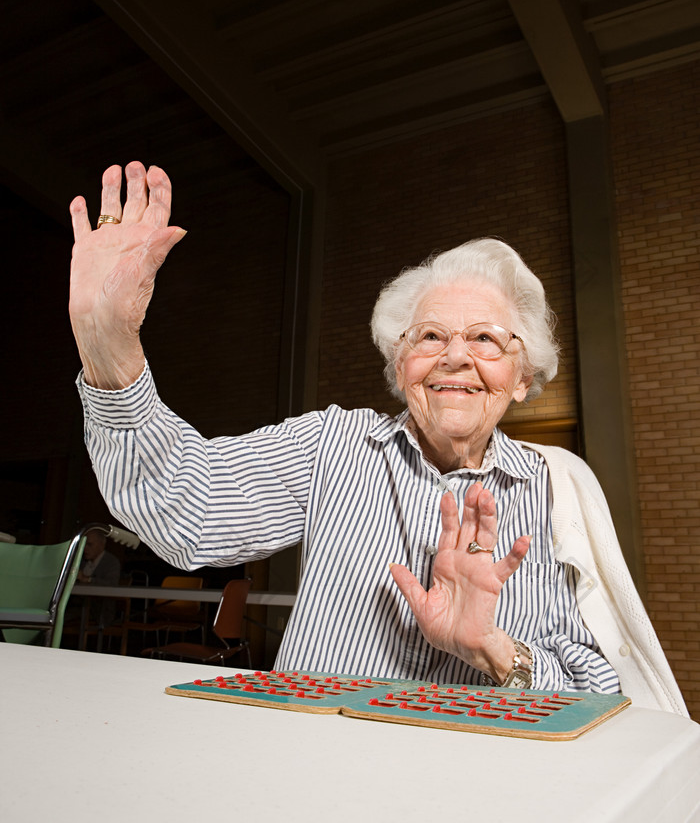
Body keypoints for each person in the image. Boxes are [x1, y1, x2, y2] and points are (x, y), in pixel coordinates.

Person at [69, 162, 686, 714]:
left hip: (480, 800)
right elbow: (187, 510)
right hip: (314, 778)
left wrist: (494, 650)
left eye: (486, 339)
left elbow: (600, 695)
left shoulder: (558, 492)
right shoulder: (334, 445)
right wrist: (110, 349)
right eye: (428, 337)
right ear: (400, 368)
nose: (455, 358)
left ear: (521, 378)